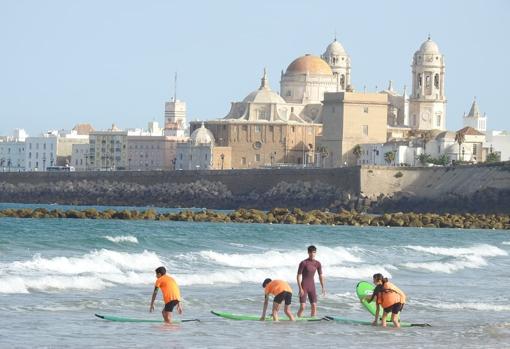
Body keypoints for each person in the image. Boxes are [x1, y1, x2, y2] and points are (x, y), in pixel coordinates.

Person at [297, 245, 325, 317]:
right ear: (308, 253)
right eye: (311, 252)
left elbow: (320, 276)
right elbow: (298, 276)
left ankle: (313, 322)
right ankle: (297, 320)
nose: (312, 254)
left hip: (312, 287)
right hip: (304, 286)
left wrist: (323, 287)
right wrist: (300, 288)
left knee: (314, 306)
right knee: (302, 307)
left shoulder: (317, 263)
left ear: (315, 253)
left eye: (314, 252)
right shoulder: (303, 263)